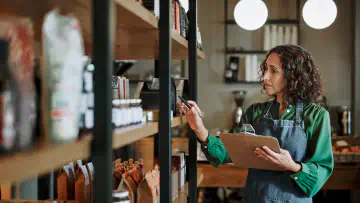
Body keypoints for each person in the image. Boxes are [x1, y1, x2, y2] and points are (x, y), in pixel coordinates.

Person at [179, 45, 334, 203]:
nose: (265, 76)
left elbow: (321, 171)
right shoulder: (255, 112)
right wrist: (199, 128)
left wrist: (292, 165)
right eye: (265, 69)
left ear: (293, 76)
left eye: (273, 71)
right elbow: (225, 152)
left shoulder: (316, 116)